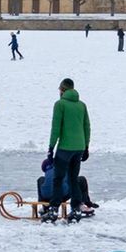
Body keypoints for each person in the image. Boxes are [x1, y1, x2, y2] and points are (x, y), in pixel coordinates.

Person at [47, 77, 91, 215]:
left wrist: (51, 148)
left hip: (65, 148)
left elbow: (56, 128)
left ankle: (54, 208)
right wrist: (86, 147)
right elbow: (86, 127)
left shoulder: (60, 104)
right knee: (73, 178)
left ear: (62, 90)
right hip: (79, 147)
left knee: (58, 178)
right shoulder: (82, 105)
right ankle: (76, 207)